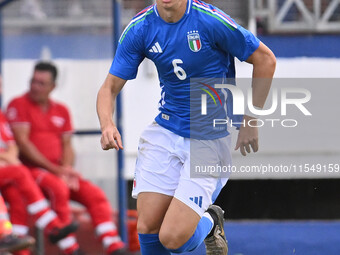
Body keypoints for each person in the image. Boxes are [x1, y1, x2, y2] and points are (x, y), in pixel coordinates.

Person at [96, 0, 276, 255]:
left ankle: (211, 221)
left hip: (209, 137)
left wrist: (251, 119)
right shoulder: (140, 28)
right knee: (147, 229)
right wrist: (107, 124)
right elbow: (108, 87)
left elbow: (266, 60)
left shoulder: (210, 21)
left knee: (172, 239)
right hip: (165, 131)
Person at [6, 62, 126, 255]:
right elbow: (23, 143)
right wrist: (58, 172)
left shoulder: (61, 109)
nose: (35, 86)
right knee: (58, 188)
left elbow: (68, 145)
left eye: (41, 83)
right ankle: (71, 249)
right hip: (32, 172)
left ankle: (114, 246)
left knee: (94, 194)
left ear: (53, 86)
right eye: (33, 81)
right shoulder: (18, 104)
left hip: (58, 171)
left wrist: (67, 170)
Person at [0, 108, 78, 255]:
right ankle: (53, 226)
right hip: (16, 169)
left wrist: (7, 159)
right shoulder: (20, 105)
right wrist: (7, 159)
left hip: (8, 169)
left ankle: (20, 249)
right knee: (21, 172)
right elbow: (17, 150)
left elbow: (13, 148)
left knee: (17, 196)